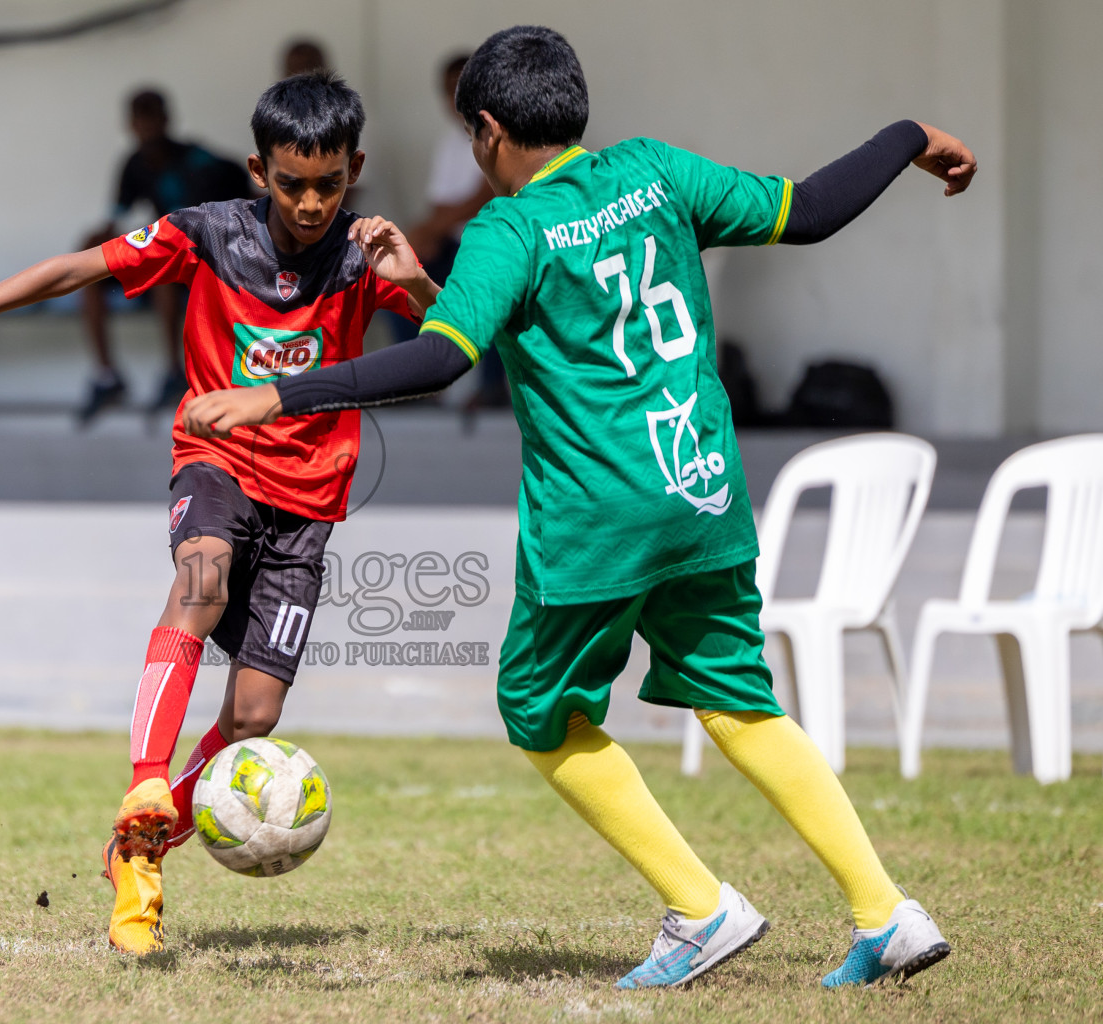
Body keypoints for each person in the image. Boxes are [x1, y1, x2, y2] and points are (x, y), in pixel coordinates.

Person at [180, 25, 977, 989]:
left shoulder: (510, 228)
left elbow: (441, 360)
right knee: (739, 700)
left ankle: (699, 907)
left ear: (485, 130)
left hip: (598, 519)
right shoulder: (657, 173)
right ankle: (885, 910)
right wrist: (907, 133)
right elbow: (808, 212)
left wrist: (278, 393)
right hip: (702, 496)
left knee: (538, 708)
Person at [0, 71, 439, 956]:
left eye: (327, 184)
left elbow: (447, 348)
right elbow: (79, 268)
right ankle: (147, 788)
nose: (308, 201)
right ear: (258, 170)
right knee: (201, 576)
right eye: (290, 182)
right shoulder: (208, 232)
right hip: (215, 463)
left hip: (309, 512)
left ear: (355, 170)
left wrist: (416, 284)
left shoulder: (363, 258)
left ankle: (138, 842)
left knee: (254, 714)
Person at [77, 89, 254, 422]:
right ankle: (106, 375)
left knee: (164, 270)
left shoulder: (197, 159)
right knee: (90, 264)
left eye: (152, 115)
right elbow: (116, 216)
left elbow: (237, 184)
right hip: (167, 252)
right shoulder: (134, 163)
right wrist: (97, 240)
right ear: (129, 124)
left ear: (167, 119)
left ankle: (174, 372)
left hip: (205, 261)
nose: (146, 125)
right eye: (139, 117)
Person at [395, 51, 508, 408]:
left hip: (496, 243)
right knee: (396, 283)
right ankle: (417, 385)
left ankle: (493, 389)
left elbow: (485, 194)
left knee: (490, 284)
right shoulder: (449, 142)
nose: (455, 98)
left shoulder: (498, 131)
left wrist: (428, 229)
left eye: (461, 87)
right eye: (448, 90)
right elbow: (443, 206)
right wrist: (426, 235)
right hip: (457, 243)